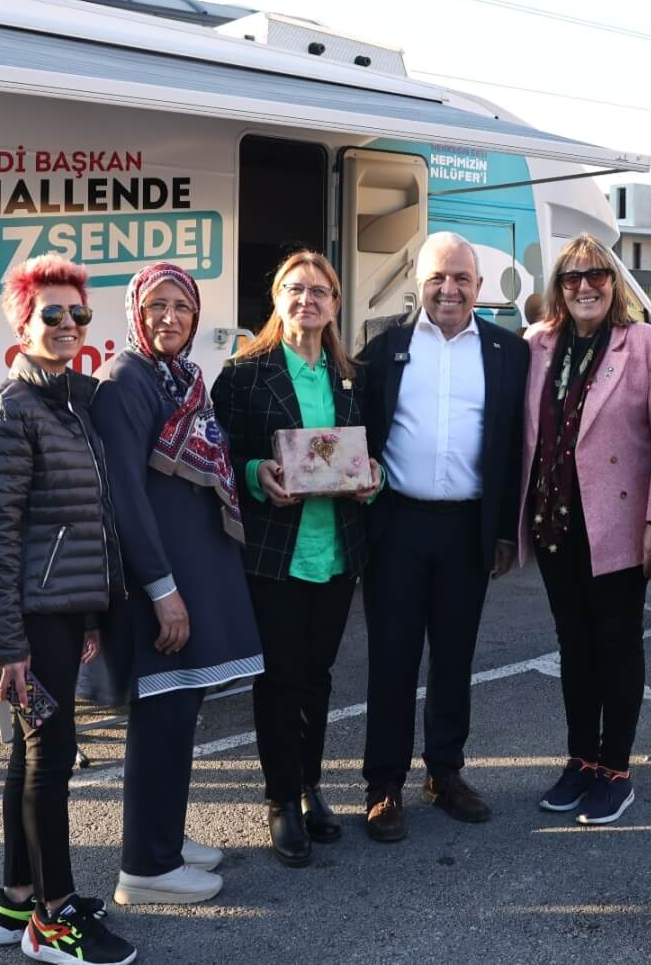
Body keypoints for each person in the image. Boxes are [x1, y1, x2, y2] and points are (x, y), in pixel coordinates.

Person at [0, 254, 134, 965]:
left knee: (30, 753)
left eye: (78, 313)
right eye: (52, 313)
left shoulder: (71, 403)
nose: (68, 324)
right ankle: (53, 919)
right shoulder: (9, 410)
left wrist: (89, 615)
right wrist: (3, 641)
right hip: (31, 618)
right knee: (51, 757)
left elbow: (81, 520)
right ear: (23, 325)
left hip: (63, 611)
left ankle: (14, 900)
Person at [91, 263, 264, 904]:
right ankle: (146, 867)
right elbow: (125, 498)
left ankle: (162, 836)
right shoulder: (126, 380)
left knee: (180, 713)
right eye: (156, 306)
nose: (170, 317)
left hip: (188, 573)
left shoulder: (181, 377)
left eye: (182, 306)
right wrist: (162, 590)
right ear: (135, 312)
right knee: (161, 716)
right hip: (157, 584)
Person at [356, 232, 530, 841]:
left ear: (479, 286)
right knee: (392, 659)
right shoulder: (384, 346)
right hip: (396, 525)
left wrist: (504, 530)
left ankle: (445, 773)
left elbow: (514, 446)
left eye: (461, 278)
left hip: (467, 528)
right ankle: (384, 784)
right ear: (419, 283)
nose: (449, 289)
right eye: (437, 278)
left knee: (455, 658)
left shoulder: (509, 352)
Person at [211, 250, 379, 866]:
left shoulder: (353, 376)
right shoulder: (242, 375)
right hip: (275, 554)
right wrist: (256, 472)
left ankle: (311, 786)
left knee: (318, 676)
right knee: (280, 679)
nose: (306, 299)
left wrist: (373, 477)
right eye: (294, 288)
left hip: (335, 551)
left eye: (319, 291)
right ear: (277, 300)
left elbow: (371, 452)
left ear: (335, 304)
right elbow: (218, 455)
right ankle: (281, 797)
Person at [518, 235, 651, 825]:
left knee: (617, 644)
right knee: (574, 645)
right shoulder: (537, 343)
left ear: (615, 283)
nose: (585, 286)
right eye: (572, 277)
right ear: (558, 287)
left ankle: (615, 769)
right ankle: (581, 759)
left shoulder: (646, 344)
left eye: (597, 275)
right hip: (555, 521)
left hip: (617, 522)